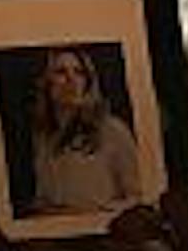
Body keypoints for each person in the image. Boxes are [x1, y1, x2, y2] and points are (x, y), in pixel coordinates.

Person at [25, 48, 141, 216]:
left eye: (79, 72)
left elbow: (138, 196)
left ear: (87, 81)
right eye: (61, 72)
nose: (71, 80)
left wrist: (97, 212)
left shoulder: (112, 130)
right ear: (46, 83)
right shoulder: (43, 136)